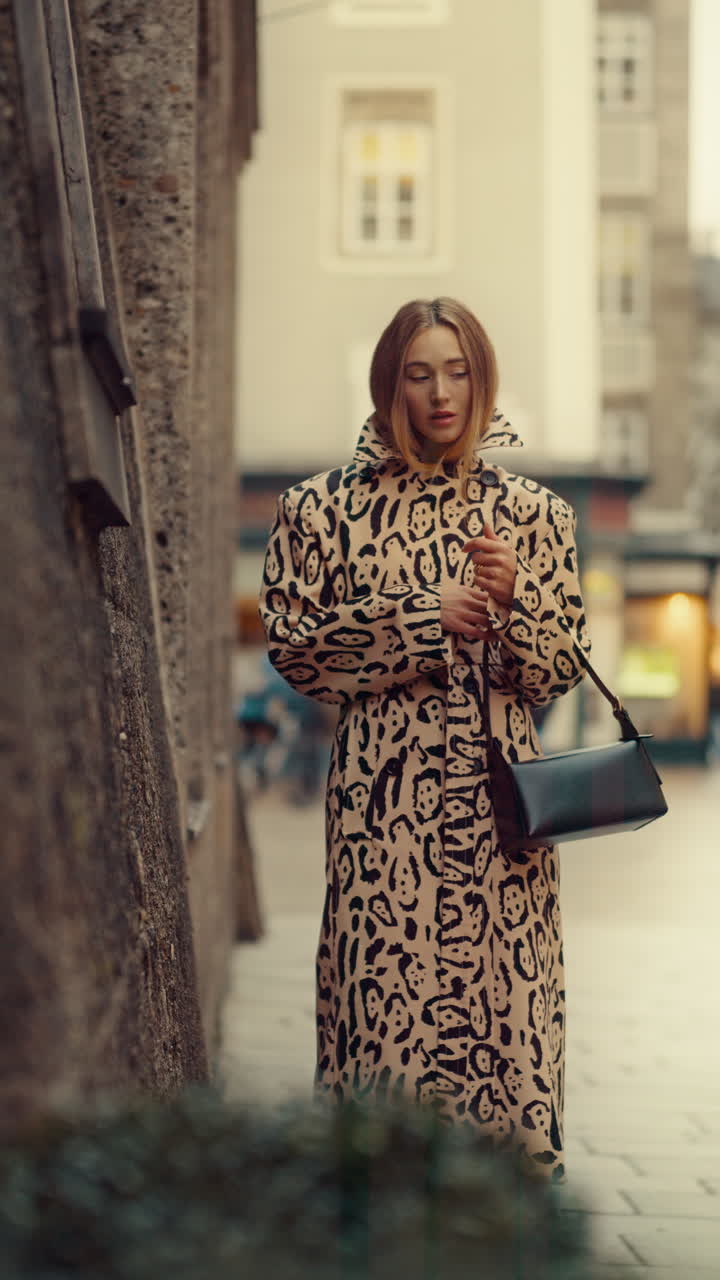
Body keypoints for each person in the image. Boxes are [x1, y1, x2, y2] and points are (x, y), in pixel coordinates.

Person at [259, 297, 590, 1181]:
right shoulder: (319, 509)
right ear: (389, 382)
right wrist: (419, 619)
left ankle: (508, 1222)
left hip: (504, 835)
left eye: (458, 371)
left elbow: (558, 671)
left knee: (507, 1039)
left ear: (481, 379)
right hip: (384, 825)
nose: (441, 393)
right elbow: (294, 649)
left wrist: (514, 602)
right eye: (419, 372)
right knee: (384, 1042)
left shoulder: (538, 515)